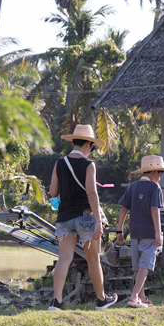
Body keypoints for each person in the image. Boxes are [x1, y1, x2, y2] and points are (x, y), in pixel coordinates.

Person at [48, 124, 118, 311]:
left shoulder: (59, 163)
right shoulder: (89, 165)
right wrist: (98, 221)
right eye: (92, 146)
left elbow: (53, 192)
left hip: (64, 217)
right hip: (86, 217)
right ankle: (101, 300)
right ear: (88, 144)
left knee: (64, 259)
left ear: (73, 142)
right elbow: (92, 194)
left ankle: (57, 302)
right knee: (93, 260)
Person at [116, 155, 164, 307]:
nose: (160, 176)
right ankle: (134, 296)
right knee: (146, 265)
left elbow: (123, 210)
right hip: (149, 231)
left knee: (138, 265)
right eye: (160, 172)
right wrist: (157, 232)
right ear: (154, 171)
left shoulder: (132, 186)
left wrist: (119, 230)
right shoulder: (155, 188)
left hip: (134, 232)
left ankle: (141, 296)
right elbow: (155, 210)